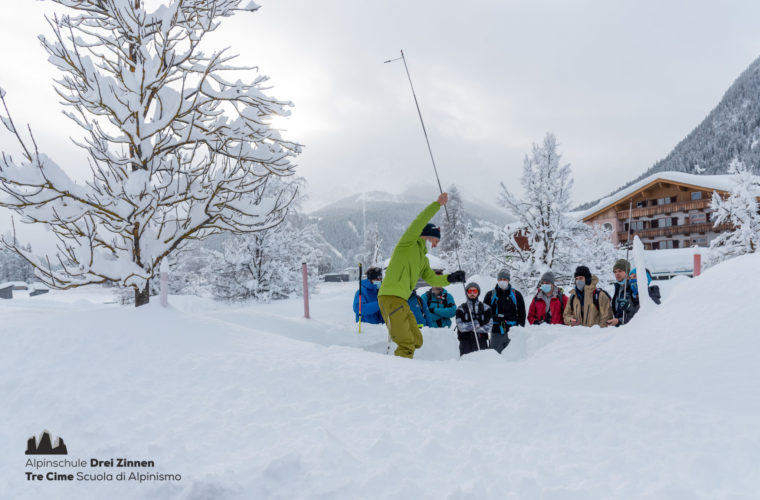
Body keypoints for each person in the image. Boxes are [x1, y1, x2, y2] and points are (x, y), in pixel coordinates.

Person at [377, 193, 466, 358]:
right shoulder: (407, 243)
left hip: (402, 300)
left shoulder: (423, 259)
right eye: (436, 239)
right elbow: (419, 222)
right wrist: (437, 204)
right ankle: (401, 375)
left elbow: (432, 279)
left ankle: (403, 363)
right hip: (389, 297)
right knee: (406, 343)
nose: (436, 243)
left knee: (417, 340)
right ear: (428, 234)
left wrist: (451, 278)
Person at [607, 260, 661, 327]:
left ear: (644, 279)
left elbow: (642, 318)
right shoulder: (634, 296)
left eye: (635, 276)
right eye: (631, 277)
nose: (632, 280)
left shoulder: (651, 297)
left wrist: (628, 308)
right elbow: (630, 317)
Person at [482, 270, 525, 353]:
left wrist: (519, 330)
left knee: (513, 357)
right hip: (496, 332)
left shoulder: (517, 295)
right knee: (496, 358)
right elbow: (485, 314)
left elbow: (522, 314)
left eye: (504, 279)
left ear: (508, 280)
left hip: (512, 332)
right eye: (500, 279)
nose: (502, 281)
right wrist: (495, 317)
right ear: (497, 280)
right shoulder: (490, 295)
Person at [455, 282, 493, 356]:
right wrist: (476, 325)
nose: (472, 293)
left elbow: (489, 327)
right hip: (465, 343)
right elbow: (461, 327)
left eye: (475, 291)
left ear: (478, 292)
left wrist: (472, 328)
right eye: (470, 291)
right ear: (466, 293)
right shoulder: (460, 308)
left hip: (481, 342)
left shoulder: (486, 308)